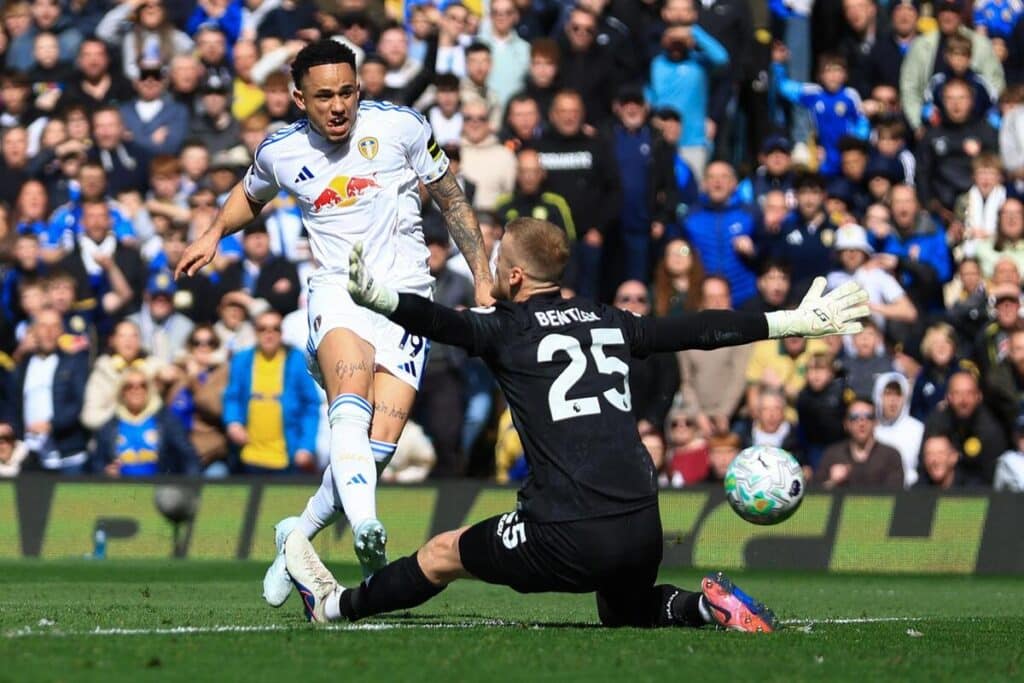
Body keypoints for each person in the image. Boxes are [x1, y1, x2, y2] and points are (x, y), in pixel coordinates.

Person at [281, 216, 868, 628]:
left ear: (513, 278)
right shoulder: (611, 317)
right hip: (642, 527)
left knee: (442, 553)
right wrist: (790, 321)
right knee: (625, 610)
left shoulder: (507, 329)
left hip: (566, 532)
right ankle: (702, 608)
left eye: (495, 259)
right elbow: (692, 328)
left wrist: (380, 299)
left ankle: (334, 606)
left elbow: (441, 322)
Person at [174, 40, 493, 599]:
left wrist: (482, 273)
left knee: (379, 448)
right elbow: (251, 195)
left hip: (408, 301)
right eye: (324, 96)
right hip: (338, 292)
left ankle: (294, 539)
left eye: (347, 91)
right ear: (299, 98)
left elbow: (450, 196)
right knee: (351, 393)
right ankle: (367, 526)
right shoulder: (282, 150)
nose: (339, 105)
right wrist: (210, 232)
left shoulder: (403, 127)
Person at [91, 367, 199, 477]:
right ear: (122, 391)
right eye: (129, 386)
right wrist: (105, 473)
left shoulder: (167, 421)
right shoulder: (109, 427)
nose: (136, 390)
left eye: (142, 385)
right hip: (123, 491)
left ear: (149, 390)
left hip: (160, 489)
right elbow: (95, 464)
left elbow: (188, 457)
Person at [924, 370, 1008, 485]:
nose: (963, 400)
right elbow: (923, 466)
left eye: (969, 393)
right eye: (957, 393)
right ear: (948, 397)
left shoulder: (990, 430)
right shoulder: (936, 422)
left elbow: (992, 477)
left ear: (979, 396)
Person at [815, 397, 904, 488]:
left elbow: (896, 497)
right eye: (855, 417)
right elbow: (814, 496)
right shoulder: (832, 455)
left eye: (868, 416)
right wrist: (832, 482)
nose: (862, 423)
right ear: (846, 424)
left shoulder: (891, 456)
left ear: (876, 422)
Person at [873, 372, 924, 488]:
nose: (893, 400)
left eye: (898, 394)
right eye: (888, 394)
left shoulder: (918, 429)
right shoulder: (870, 430)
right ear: (877, 396)